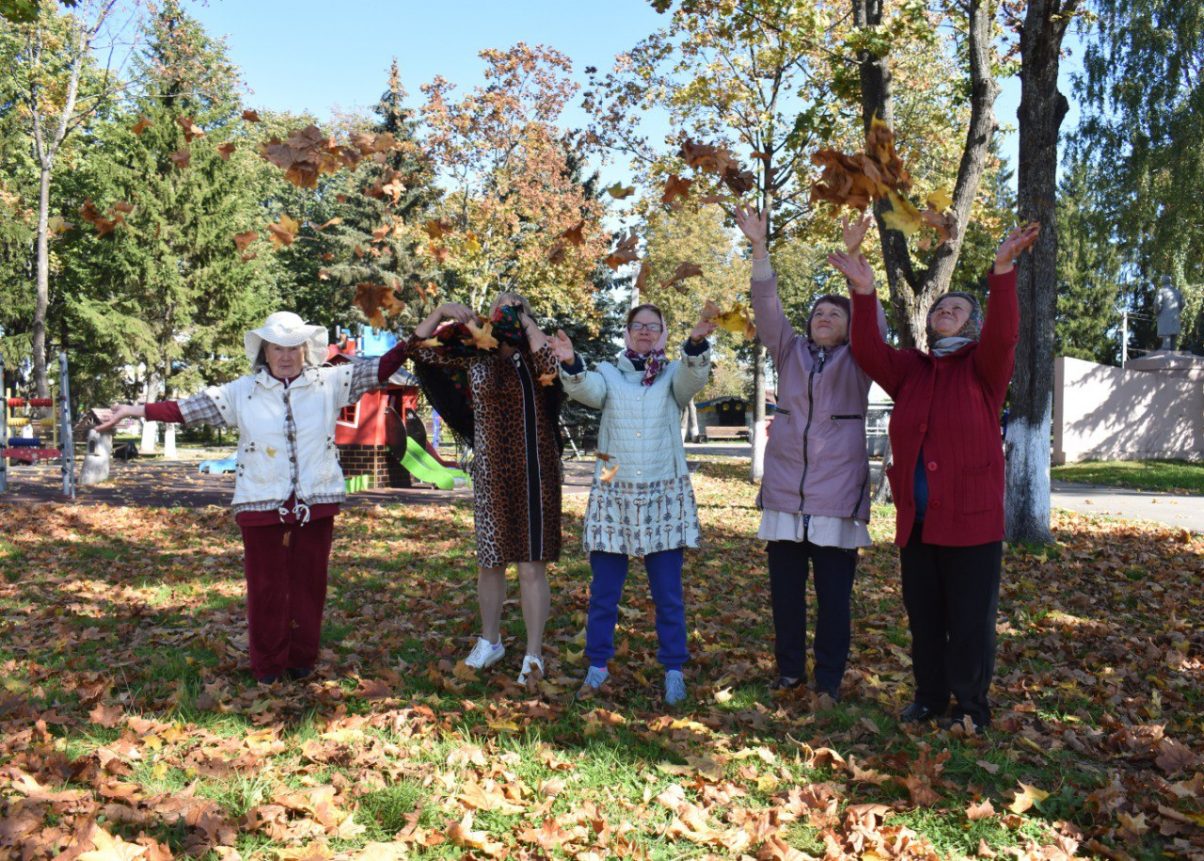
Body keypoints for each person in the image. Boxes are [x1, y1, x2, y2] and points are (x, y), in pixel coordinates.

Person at [95, 311, 411, 685]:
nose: (286, 355)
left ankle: (301, 659)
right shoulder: (240, 392)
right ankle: (268, 666)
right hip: (261, 497)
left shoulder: (330, 382)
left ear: (304, 350)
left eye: (293, 347)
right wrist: (134, 410)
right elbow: (185, 409)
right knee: (266, 587)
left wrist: (420, 334)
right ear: (265, 351)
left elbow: (380, 368)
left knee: (310, 584)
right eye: (277, 347)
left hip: (316, 497)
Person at [829, 221, 1040, 732]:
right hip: (918, 525)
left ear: (972, 324)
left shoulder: (983, 368)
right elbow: (868, 350)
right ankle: (928, 698)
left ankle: (970, 708)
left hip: (972, 526)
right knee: (925, 621)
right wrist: (863, 290)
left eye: (958, 309)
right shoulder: (912, 369)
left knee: (969, 624)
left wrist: (1004, 270)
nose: (946, 312)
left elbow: (1005, 333)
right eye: (940, 308)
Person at [736, 206, 883, 700]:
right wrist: (760, 247)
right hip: (784, 495)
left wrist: (857, 259)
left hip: (836, 499)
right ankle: (789, 672)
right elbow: (767, 306)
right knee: (785, 597)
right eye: (818, 313)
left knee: (834, 600)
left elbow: (874, 326)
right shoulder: (789, 352)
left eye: (834, 314)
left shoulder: (861, 360)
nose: (824, 318)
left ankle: (828, 681)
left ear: (847, 326)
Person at [550, 304, 716, 705]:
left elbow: (694, 377)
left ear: (662, 333)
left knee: (668, 594)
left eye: (652, 327)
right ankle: (598, 665)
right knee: (605, 591)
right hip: (613, 488)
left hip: (663, 490)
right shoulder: (608, 373)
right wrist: (570, 361)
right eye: (638, 326)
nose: (644, 333)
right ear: (626, 333)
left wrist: (695, 342)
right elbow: (585, 389)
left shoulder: (675, 374)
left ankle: (674, 669)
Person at [408, 294, 562, 686]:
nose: (506, 311)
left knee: (531, 563)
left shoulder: (535, 353)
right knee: (490, 560)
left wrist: (527, 324)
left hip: (536, 470)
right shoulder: (473, 353)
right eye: (501, 305)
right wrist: (441, 312)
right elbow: (417, 351)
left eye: (515, 306)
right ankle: (490, 641)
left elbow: (553, 368)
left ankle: (533, 653)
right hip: (492, 469)